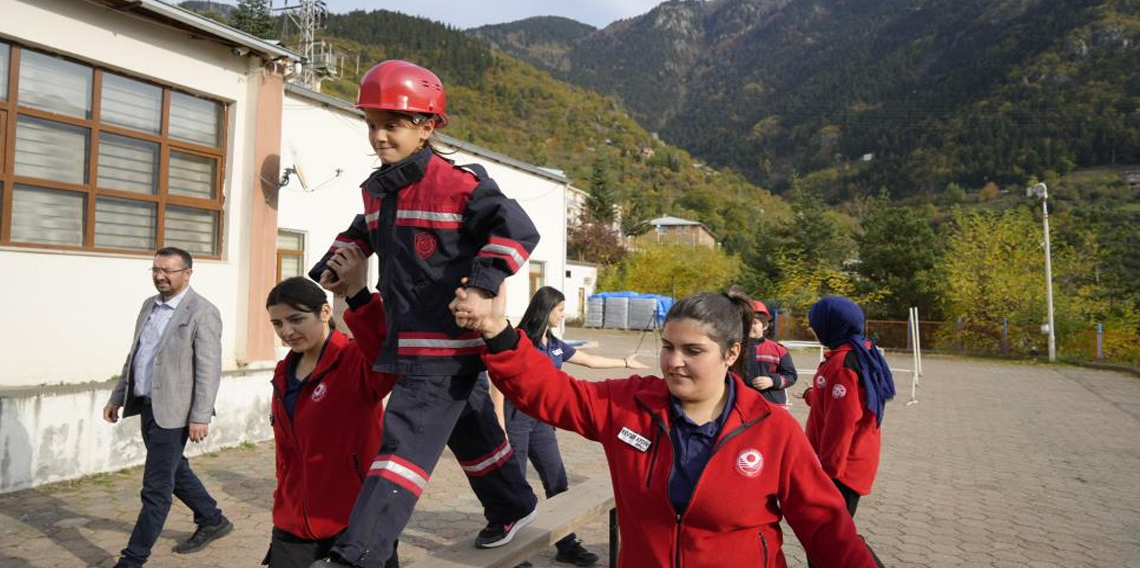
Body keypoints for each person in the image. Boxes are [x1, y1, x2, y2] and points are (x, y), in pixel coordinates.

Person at [451, 287, 881, 568]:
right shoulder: (629, 405)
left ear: (732, 354)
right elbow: (553, 393)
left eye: (693, 350)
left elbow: (828, 529)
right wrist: (497, 330)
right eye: (668, 347)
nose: (674, 361)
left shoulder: (772, 430)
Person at [307, 60, 539, 568]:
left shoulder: (461, 185)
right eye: (371, 124)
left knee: (401, 448)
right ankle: (514, 505)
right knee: (474, 433)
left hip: (443, 343)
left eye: (392, 124)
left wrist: (482, 286)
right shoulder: (378, 189)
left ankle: (357, 554)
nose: (379, 136)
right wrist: (331, 264)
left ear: (427, 126)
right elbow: (361, 231)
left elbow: (517, 231)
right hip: (408, 339)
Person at [264, 246, 400, 568]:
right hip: (291, 523)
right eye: (277, 323)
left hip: (355, 523)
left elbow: (386, 360)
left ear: (325, 313)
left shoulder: (355, 360)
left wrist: (358, 295)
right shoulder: (283, 372)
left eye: (296, 319)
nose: (287, 332)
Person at [493, 286, 648, 568]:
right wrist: (500, 423)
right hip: (515, 421)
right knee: (513, 487)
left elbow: (588, 361)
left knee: (558, 481)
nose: (563, 315)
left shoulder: (553, 343)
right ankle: (511, 554)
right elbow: (500, 383)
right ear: (546, 309)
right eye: (560, 309)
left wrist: (625, 362)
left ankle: (566, 545)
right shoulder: (521, 340)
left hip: (543, 423)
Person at [104, 247, 231, 568]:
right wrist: (118, 395)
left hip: (176, 414)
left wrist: (200, 416)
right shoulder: (149, 306)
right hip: (147, 406)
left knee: (156, 488)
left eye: (168, 271)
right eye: (155, 270)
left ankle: (132, 559)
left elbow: (208, 369)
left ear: (187, 273)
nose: (160, 276)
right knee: (174, 468)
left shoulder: (202, 311)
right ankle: (211, 518)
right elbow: (135, 356)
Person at [803, 295, 894, 568]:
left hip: (841, 469)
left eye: (815, 325)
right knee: (831, 535)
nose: (814, 330)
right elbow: (846, 400)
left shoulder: (843, 364)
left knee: (825, 538)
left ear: (831, 325)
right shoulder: (858, 351)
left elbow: (842, 425)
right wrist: (813, 395)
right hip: (849, 463)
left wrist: (825, 473)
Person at [745, 300, 798, 406]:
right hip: (744, 405)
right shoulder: (736, 349)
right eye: (747, 323)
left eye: (755, 323)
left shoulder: (778, 350)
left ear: (765, 326)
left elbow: (791, 376)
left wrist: (772, 381)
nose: (750, 326)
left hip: (773, 406)